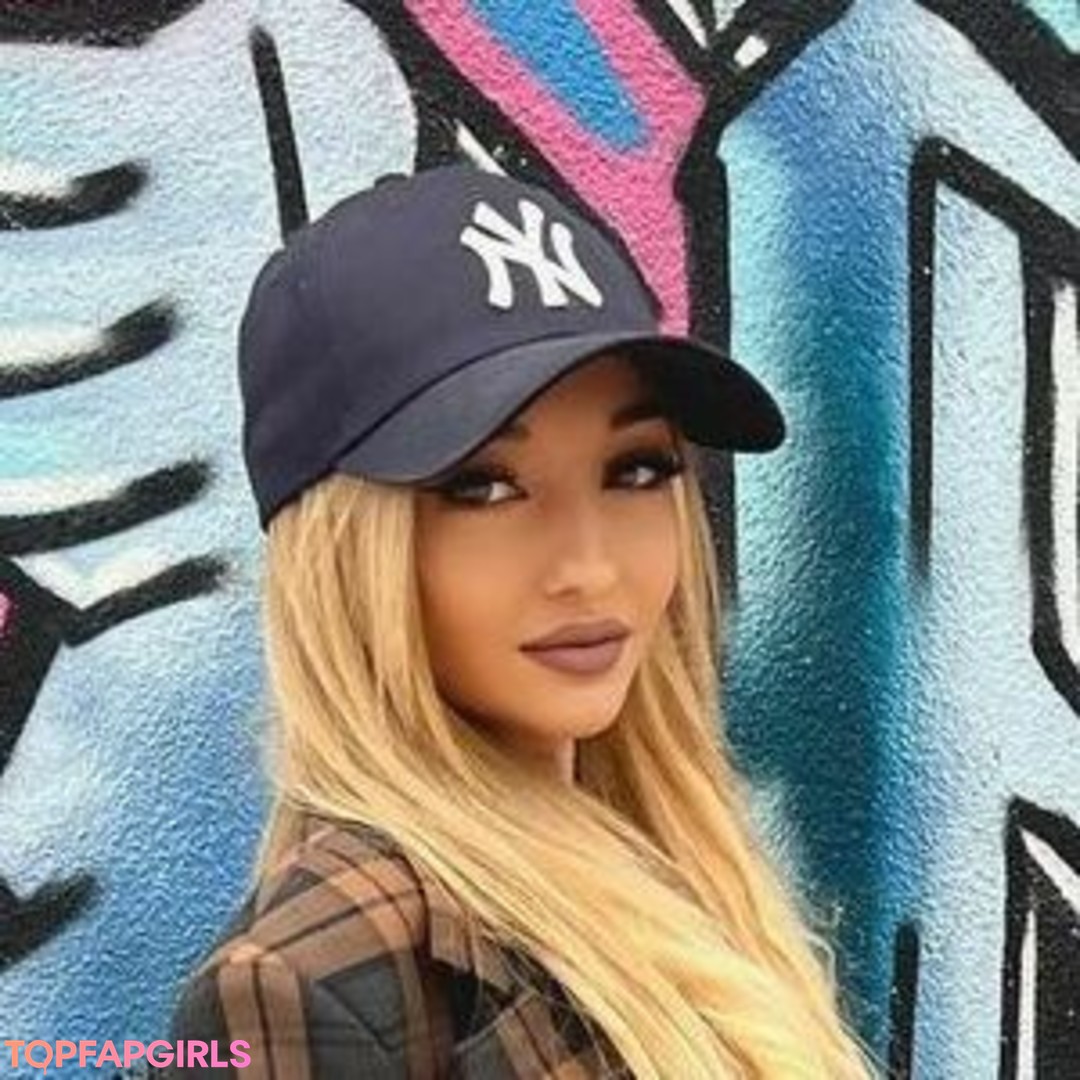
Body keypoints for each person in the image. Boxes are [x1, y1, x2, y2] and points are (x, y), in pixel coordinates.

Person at [162, 164, 879, 1078]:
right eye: (485, 487)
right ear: (348, 555)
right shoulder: (307, 983)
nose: (590, 568)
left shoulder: (679, 873)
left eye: (635, 470)